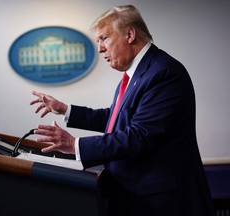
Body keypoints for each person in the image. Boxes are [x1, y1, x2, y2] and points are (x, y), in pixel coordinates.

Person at [30, 4, 215, 216]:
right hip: (135, 197)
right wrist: (66, 110)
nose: (99, 48)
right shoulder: (135, 75)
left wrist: (74, 145)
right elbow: (116, 118)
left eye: (104, 38)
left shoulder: (163, 73)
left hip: (163, 203)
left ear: (130, 34)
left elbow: (139, 136)